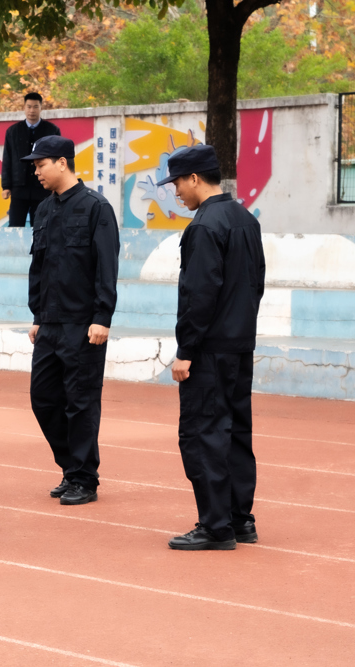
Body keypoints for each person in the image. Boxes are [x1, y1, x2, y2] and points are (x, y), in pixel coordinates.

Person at [161, 145, 265, 551]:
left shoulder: (204, 226)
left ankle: (216, 526)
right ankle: (240, 520)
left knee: (202, 433)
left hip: (208, 349)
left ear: (194, 179)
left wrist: (186, 350)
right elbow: (256, 283)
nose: (176, 192)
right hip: (239, 344)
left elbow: (199, 294)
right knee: (236, 432)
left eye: (177, 184)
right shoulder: (245, 220)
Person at [25, 136, 119, 506]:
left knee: (81, 402)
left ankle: (84, 478)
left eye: (40, 165)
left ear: (62, 163)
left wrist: (102, 317)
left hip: (84, 324)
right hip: (49, 323)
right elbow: (39, 267)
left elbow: (106, 266)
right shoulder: (43, 210)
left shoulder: (96, 207)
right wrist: (37, 315)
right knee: (43, 398)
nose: (36, 172)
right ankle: (71, 467)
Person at [1, 92, 60, 227]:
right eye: (29, 107)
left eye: (35, 107)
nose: (32, 110)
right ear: (24, 107)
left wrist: (56, 185)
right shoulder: (13, 131)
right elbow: (7, 159)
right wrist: (6, 186)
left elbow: (57, 160)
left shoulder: (52, 131)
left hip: (43, 188)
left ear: (41, 108)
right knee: (15, 226)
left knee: (42, 226)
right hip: (18, 189)